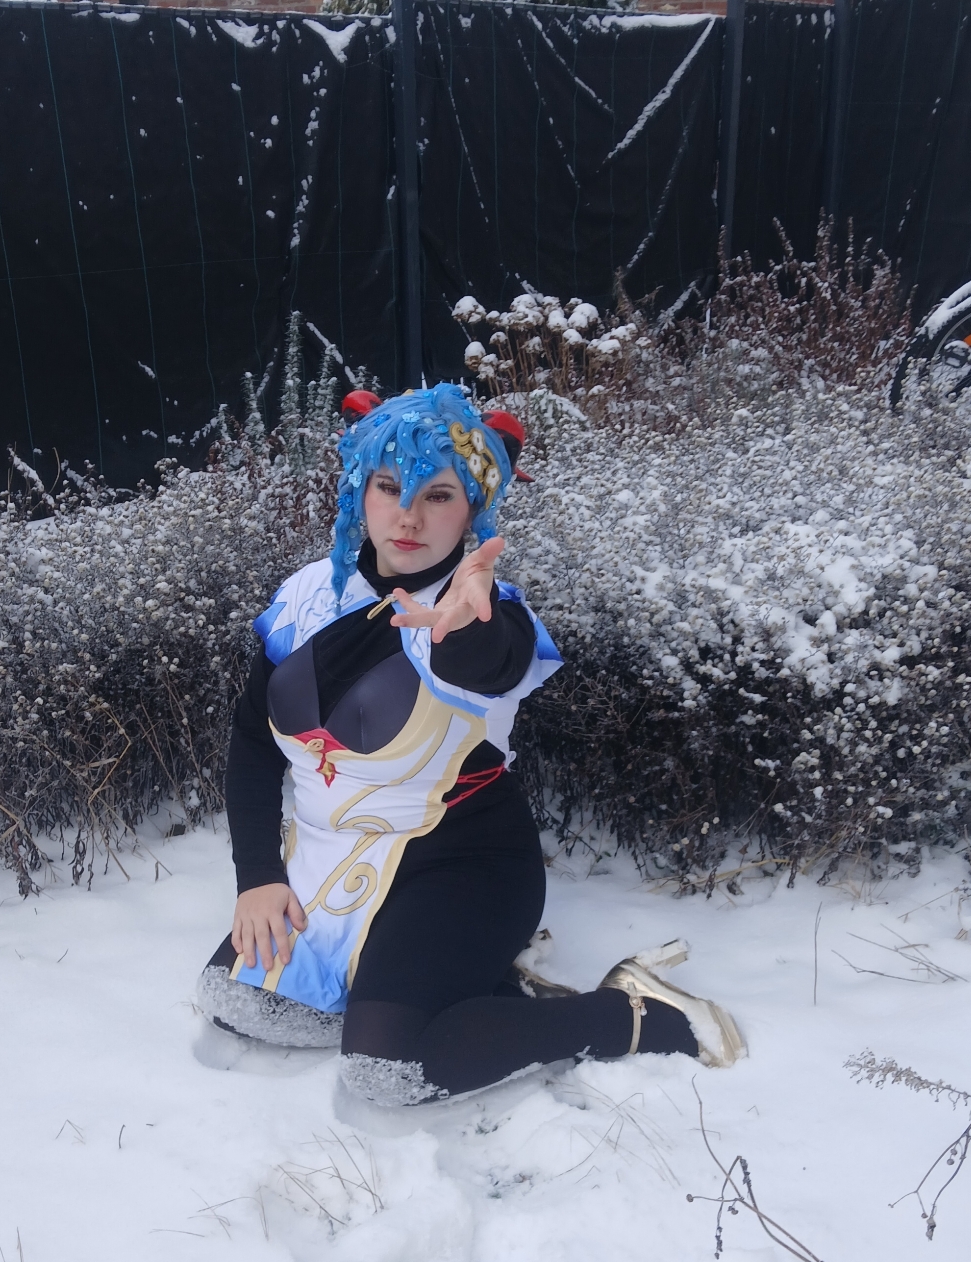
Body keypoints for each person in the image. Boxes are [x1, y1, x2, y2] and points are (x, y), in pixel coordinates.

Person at [198, 383, 744, 1103]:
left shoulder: (487, 609)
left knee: (386, 1070)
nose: (408, 516)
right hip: (335, 857)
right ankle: (475, 988)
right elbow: (251, 741)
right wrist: (258, 876)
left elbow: (494, 662)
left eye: (439, 496)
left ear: (474, 508)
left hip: (463, 863)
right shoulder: (305, 596)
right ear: (361, 486)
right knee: (242, 1004)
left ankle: (633, 1015)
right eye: (390, 485)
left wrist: (463, 625)